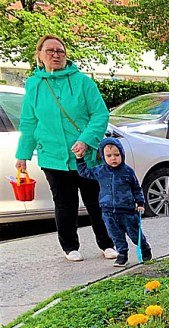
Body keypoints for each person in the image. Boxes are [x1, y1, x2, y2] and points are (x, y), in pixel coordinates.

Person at [14, 34, 118, 263]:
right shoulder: (34, 85)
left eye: (60, 51)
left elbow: (99, 114)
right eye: (50, 51)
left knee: (96, 201)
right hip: (52, 156)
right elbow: (29, 121)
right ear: (40, 55)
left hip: (86, 156)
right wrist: (22, 154)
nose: (55, 55)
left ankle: (108, 243)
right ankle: (70, 246)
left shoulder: (82, 82)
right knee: (64, 203)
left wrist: (86, 140)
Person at [76, 137, 151, 267]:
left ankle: (144, 248)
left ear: (122, 154)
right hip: (108, 211)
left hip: (127, 211)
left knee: (134, 233)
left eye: (116, 155)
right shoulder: (100, 171)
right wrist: (79, 159)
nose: (113, 158)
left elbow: (136, 188)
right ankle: (122, 254)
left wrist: (140, 203)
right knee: (115, 235)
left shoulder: (127, 171)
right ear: (103, 156)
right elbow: (84, 172)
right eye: (109, 156)